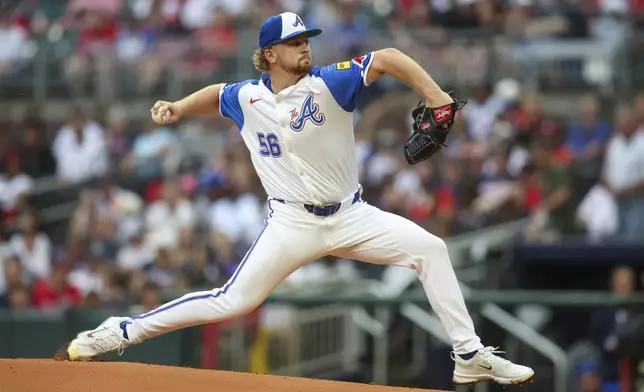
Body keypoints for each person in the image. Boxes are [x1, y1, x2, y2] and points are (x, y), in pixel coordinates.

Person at [65, 12, 534, 386]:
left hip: (352, 215)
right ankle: (122, 331)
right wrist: (181, 107)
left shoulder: (331, 82)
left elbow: (388, 56)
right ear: (269, 54)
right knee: (232, 302)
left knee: (431, 249)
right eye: (294, 42)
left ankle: (469, 354)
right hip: (292, 224)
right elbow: (219, 93)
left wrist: (436, 98)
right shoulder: (248, 97)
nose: (304, 45)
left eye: (306, 39)